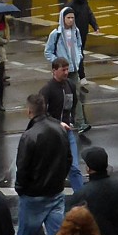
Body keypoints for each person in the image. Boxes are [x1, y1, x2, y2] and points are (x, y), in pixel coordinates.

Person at [9, 93, 71, 235]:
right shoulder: (59, 128)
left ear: (29, 111)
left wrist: (21, 189)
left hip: (34, 196)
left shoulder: (29, 136)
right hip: (56, 192)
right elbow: (68, 158)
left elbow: (23, 167)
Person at [40, 57, 85, 193]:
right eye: (63, 70)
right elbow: (41, 113)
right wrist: (57, 123)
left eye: (67, 69)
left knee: (74, 167)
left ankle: (81, 196)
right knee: (51, 167)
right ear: (54, 70)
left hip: (67, 133)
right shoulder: (47, 89)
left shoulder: (70, 85)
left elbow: (74, 103)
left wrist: (70, 119)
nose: (66, 72)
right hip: (51, 134)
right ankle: (49, 193)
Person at [67, 0, 100, 131]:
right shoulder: (71, 6)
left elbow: (90, 14)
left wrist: (95, 25)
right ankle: (81, 75)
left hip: (82, 34)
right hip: (75, 36)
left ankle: (81, 75)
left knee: (81, 55)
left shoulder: (85, 4)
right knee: (78, 56)